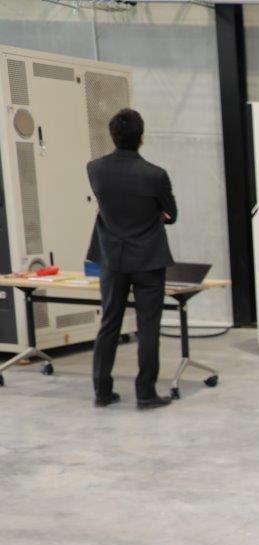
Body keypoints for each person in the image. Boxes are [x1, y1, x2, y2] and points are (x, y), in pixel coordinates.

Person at [86, 108, 177, 409]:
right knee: (148, 326)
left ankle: (102, 391)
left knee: (109, 322)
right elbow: (172, 214)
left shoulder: (95, 169)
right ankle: (146, 393)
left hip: (112, 258)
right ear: (141, 137)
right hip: (148, 259)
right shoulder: (155, 175)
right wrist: (156, 214)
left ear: (112, 136)